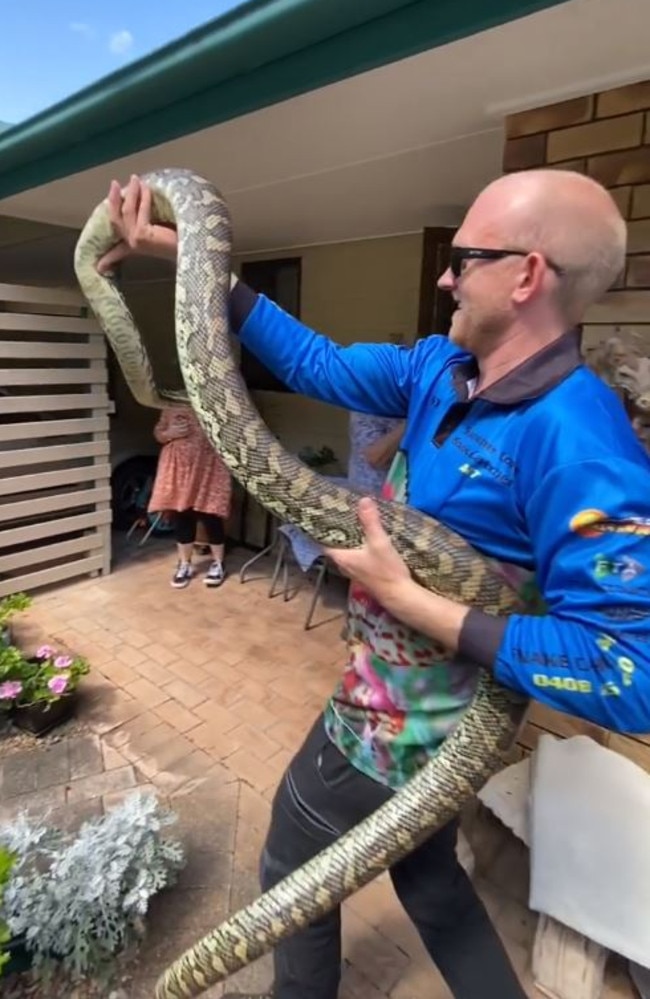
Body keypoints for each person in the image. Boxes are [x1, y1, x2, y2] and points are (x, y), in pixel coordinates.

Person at [97, 167, 650, 999]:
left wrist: (414, 599)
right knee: (431, 881)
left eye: (464, 257)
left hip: (412, 728)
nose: (444, 275)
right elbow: (316, 360)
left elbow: (628, 670)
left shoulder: (581, 445)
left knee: (293, 859)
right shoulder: (440, 368)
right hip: (382, 690)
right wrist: (197, 264)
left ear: (528, 274)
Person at [149, 403, 232, 588]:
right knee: (182, 514)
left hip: (208, 466)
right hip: (179, 469)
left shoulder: (214, 402)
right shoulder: (170, 405)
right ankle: (184, 564)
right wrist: (169, 433)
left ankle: (218, 563)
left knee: (211, 514)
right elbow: (159, 433)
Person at [347, 411, 405, 494]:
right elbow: (375, 457)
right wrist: (415, 421)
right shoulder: (367, 409)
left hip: (408, 494)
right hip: (371, 495)